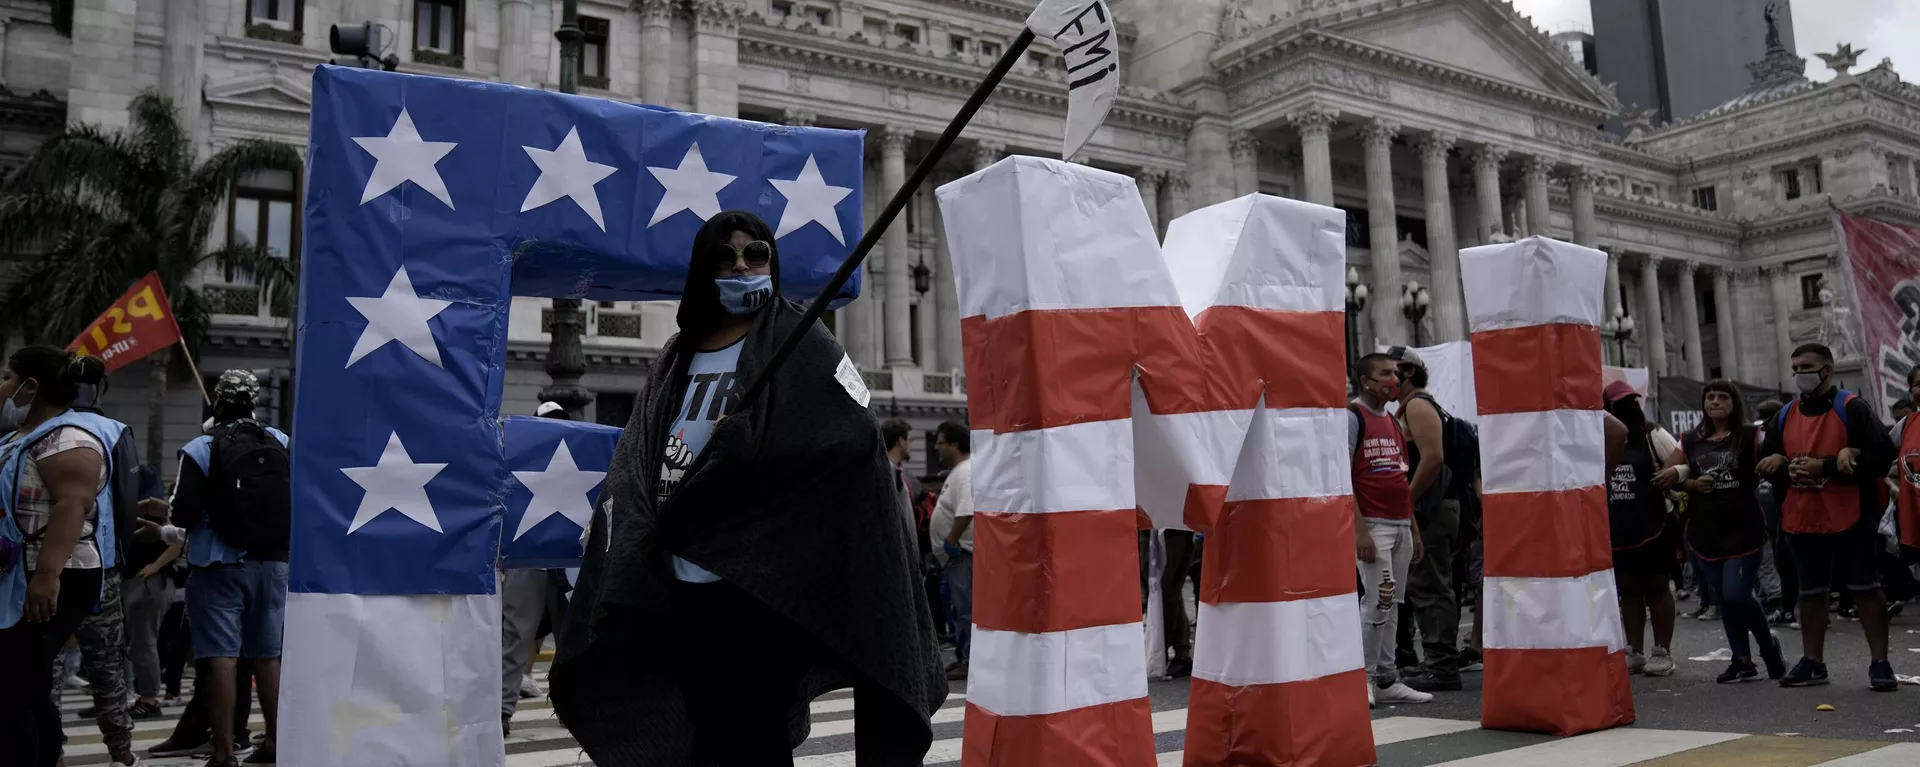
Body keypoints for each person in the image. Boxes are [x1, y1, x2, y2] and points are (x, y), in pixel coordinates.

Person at [550, 210, 945, 765]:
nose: (741, 265)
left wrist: (747, 465)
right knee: (707, 730)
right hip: (680, 579)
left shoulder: (801, 340)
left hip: (758, 585)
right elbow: (640, 453)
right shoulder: (678, 354)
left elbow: (853, 441)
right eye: (725, 255)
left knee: (753, 734)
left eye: (755, 254)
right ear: (704, 267)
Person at [152, 370, 292, 766]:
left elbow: (183, 512)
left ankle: (224, 751)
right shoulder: (280, 441)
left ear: (218, 401)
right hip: (273, 564)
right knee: (267, 657)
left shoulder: (200, 447)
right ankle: (276, 746)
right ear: (254, 401)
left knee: (221, 659)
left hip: (218, 565)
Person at [1758, 343, 1898, 691]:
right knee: (1811, 592)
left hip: (1852, 515)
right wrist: (1779, 465)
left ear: (1826, 370)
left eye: (1806, 365)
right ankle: (1812, 662)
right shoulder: (1785, 415)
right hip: (1802, 516)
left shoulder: (1852, 408)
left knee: (1866, 588)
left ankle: (1880, 663)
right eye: (1795, 367)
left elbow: (1882, 457)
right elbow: (1771, 457)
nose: (1799, 373)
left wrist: (1830, 464)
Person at [0, 346, 114, 767]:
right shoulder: (19, 438)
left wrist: (47, 576)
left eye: (7, 378)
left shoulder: (68, 439)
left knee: (10, 688)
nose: (2, 388)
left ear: (31, 387)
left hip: (56, 575)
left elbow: (73, 503)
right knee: (25, 685)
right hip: (21, 574)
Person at [1654, 380, 1786, 683]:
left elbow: (1778, 455)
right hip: (1704, 532)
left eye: (1722, 397)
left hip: (1744, 529)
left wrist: (1776, 458)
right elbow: (1667, 476)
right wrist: (1690, 483)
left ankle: (1768, 647)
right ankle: (1742, 660)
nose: (1715, 402)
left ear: (1733, 402)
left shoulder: (1752, 435)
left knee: (1737, 594)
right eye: (1710, 397)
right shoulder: (1689, 439)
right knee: (1725, 599)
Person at [1347, 354, 1433, 706]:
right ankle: (1365, 678)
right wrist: (1359, 531)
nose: (1394, 379)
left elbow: (1400, 477)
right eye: (1385, 373)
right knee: (1377, 602)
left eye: (1395, 373)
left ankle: (1387, 677)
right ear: (1366, 381)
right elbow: (1343, 476)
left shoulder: (1395, 423)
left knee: (1393, 604)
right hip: (1374, 525)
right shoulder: (1353, 417)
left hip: (1399, 525)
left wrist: (1412, 528)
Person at [1385, 347, 1462, 693]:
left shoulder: (1417, 406)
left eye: (1392, 371)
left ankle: (1441, 665)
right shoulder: (1410, 406)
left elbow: (1432, 458)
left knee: (1431, 584)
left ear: (1409, 374)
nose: (1387, 378)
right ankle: (1435, 660)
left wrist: (1406, 500)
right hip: (1428, 507)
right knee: (1424, 583)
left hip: (1430, 509)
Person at [500, 402, 578, 736]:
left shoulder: (579, 452)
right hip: (531, 556)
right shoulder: (522, 453)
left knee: (570, 638)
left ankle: (575, 709)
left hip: (566, 557)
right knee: (516, 635)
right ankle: (501, 710)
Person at [1604, 381, 1680, 676]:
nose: (1628, 409)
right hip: (1618, 529)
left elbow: (1682, 462)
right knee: (1628, 591)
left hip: (1655, 527)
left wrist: (1673, 473)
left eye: (1630, 402)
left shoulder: (1653, 435)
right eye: (1619, 404)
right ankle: (1634, 651)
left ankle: (1662, 651)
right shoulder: (1600, 436)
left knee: (1657, 587)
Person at [929, 421, 974, 680]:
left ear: (955, 444)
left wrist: (951, 539)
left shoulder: (965, 472)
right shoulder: (959, 472)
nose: (937, 447)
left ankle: (967, 659)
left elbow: (966, 510)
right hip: (957, 556)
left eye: (941, 442)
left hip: (962, 555)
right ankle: (962, 656)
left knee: (965, 608)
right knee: (959, 608)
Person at [1755, 398, 1799, 626]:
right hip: (1782, 504)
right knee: (1784, 557)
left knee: (1790, 559)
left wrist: (1783, 460)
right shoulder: (1767, 437)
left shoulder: (1791, 431)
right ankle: (1789, 608)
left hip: (1797, 504)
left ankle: (1791, 608)